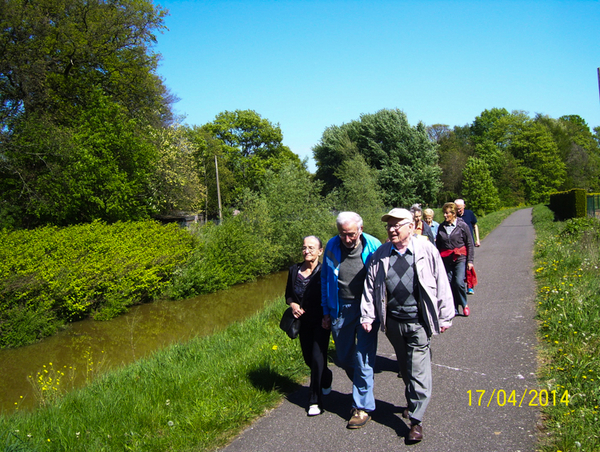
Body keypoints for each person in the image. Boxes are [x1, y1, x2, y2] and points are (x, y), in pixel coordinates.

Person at [361, 208, 454, 443]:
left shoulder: (426, 250)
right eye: (389, 225)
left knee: (418, 369)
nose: (391, 229)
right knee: (405, 368)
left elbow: (441, 282)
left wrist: (444, 316)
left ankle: (416, 421)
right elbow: (371, 287)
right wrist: (367, 316)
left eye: (396, 225)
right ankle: (412, 402)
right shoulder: (381, 255)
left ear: (410, 227)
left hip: (418, 323)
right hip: (393, 324)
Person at [321, 212, 382, 429]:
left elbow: (384, 279)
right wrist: (326, 310)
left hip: (366, 307)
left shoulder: (374, 245)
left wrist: (382, 309)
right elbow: (325, 278)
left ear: (361, 230)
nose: (347, 240)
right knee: (345, 357)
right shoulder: (331, 246)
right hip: (340, 308)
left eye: (351, 235)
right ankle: (363, 388)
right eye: (343, 234)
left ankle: (362, 407)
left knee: (363, 357)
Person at [285, 236, 332, 416]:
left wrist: (328, 316)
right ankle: (326, 376)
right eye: (304, 248)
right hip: (302, 322)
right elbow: (288, 295)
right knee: (308, 359)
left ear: (320, 251)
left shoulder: (325, 271)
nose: (307, 251)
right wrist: (293, 305)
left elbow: (331, 294)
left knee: (316, 358)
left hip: (322, 321)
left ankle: (315, 401)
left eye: (311, 248)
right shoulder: (294, 270)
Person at [436, 202, 474, 316]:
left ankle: (464, 304)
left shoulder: (462, 226)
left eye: (447, 213)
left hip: (460, 257)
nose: (445, 215)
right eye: (444, 213)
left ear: (454, 214)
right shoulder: (441, 227)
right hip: (446, 259)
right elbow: (438, 245)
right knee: (449, 283)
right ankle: (454, 308)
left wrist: (470, 261)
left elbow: (469, 243)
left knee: (458, 282)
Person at [454, 199, 480, 295]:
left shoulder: (469, 214)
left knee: (469, 265)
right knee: (460, 265)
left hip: (469, 243)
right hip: (459, 246)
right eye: (456, 208)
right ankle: (459, 285)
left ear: (464, 206)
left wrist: (477, 239)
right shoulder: (454, 216)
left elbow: (475, 226)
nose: (458, 210)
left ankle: (470, 286)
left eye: (460, 208)